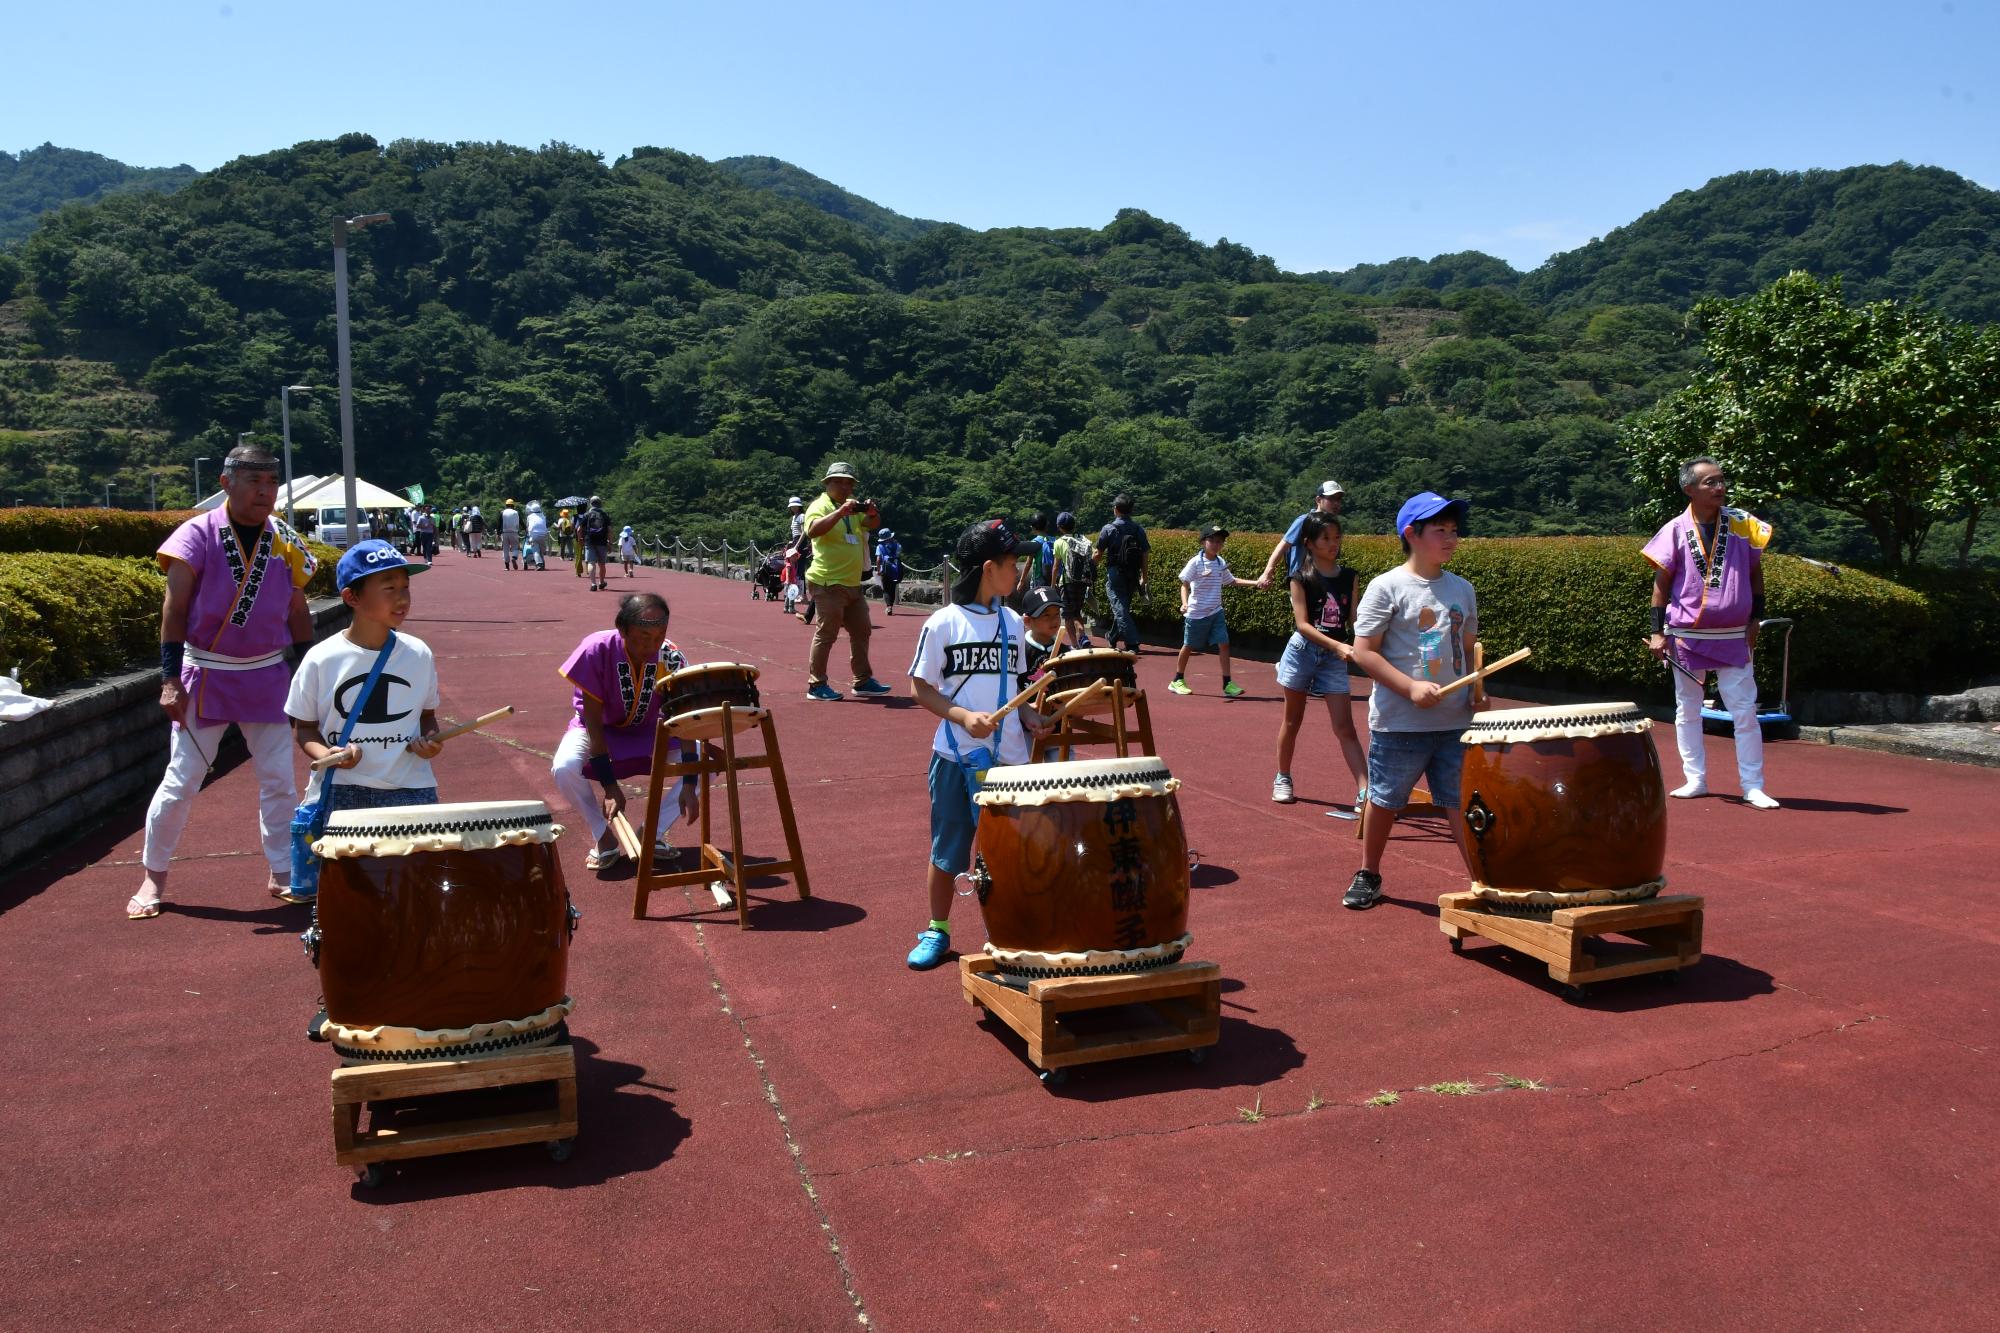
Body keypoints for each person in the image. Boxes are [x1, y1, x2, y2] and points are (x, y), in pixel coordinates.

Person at [129, 444, 318, 919]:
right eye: (254, 481)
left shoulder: (286, 539)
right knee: (182, 779)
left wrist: (309, 674)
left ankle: (281, 869)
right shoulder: (194, 534)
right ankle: (153, 875)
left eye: (272, 482)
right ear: (226, 483)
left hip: (268, 672)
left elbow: (297, 611)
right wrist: (169, 678)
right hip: (206, 672)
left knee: (279, 780)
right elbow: (173, 610)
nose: (265, 491)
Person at [904, 519, 1037, 969]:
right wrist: (961, 716)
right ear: (987, 568)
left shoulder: (1014, 623)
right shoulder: (943, 623)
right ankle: (937, 931)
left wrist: (1032, 714)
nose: (1018, 571)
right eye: (1012, 563)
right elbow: (920, 688)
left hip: (1010, 761)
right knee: (948, 849)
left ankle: (1008, 932)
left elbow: (1017, 686)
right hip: (953, 756)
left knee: (1010, 853)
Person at [1345, 492, 1481, 910]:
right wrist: (1409, 688)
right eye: (1440, 530)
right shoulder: (1386, 586)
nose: (1451, 538)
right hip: (1399, 722)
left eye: (1454, 530)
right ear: (1412, 534)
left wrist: (1478, 689)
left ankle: (1481, 880)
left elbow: (1470, 646)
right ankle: (1369, 872)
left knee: (1460, 803)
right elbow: (1363, 651)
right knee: (1385, 800)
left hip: (1455, 722)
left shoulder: (1463, 588)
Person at [286, 541, 446, 858]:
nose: (402, 598)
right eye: (389, 588)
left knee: (416, 890)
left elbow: (427, 717)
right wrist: (329, 753)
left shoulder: (418, 653)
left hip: (412, 788)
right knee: (352, 896)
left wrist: (432, 742)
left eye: (406, 587)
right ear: (351, 597)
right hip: (343, 791)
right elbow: (303, 727)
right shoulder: (321, 658)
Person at [1644, 457, 1779, 809]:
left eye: (1721, 480)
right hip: (1686, 633)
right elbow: (1661, 584)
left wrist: (1757, 619)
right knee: (1687, 708)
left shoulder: (1741, 524)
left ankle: (1753, 784)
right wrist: (1657, 633)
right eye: (1710, 482)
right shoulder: (1674, 529)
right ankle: (1696, 778)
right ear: (1690, 489)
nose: (1720, 487)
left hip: (1734, 633)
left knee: (1744, 709)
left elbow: (1755, 573)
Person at [549, 592, 700, 870]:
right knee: (564, 766)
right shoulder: (596, 649)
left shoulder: (669, 655)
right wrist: (609, 786)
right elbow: (593, 723)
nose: (651, 645)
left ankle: (651, 834)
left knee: (704, 761)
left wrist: (690, 784)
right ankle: (603, 836)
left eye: (659, 636)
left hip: (648, 731)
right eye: (643, 636)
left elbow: (684, 718)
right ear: (623, 629)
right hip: (599, 730)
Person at [1270, 513, 1368, 818]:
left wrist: (1374, 641)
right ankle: (1282, 776)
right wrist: (1339, 645)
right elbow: (1302, 625)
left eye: (1337, 537)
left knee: (1345, 727)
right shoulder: (1300, 577)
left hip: (1333, 659)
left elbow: (1355, 620)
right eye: (1326, 538)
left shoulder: (1350, 576)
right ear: (1309, 543)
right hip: (1302, 652)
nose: (1333, 544)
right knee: (1292, 721)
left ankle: (1366, 791)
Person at [802, 461, 893, 701]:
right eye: (839, 482)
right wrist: (839, 513)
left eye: (849, 483)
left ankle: (862, 680)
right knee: (826, 634)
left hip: (852, 583)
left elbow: (871, 525)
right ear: (827, 483)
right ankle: (816, 685)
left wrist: (872, 513)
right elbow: (812, 530)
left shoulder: (852, 508)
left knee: (862, 630)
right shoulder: (819, 506)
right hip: (828, 582)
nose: (845, 487)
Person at [1170, 524, 1264, 698]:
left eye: (1219, 541)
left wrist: (1256, 583)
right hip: (1197, 613)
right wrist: (1184, 604)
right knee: (1189, 646)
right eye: (1211, 540)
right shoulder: (1195, 562)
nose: (1215, 544)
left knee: (1224, 644)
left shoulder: (1220, 563)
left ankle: (1227, 683)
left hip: (1216, 612)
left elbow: (1232, 581)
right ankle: (1177, 680)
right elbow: (1184, 584)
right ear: (1203, 542)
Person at [1260, 480, 1347, 584]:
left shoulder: (1333, 524)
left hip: (1324, 581)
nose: (1336, 503)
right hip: (1303, 581)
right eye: (1331, 499)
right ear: (1318, 500)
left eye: (1339, 499)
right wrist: (1267, 572)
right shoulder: (1304, 520)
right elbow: (1283, 546)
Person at [1096, 495, 1150, 655]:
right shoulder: (1138, 529)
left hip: (1115, 573)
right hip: (1133, 573)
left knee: (1119, 607)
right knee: (1123, 607)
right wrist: (1144, 575)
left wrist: (1091, 564)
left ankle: (1132, 643)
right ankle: (1112, 637)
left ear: (1116, 509)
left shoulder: (1108, 529)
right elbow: (1145, 553)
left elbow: (1098, 553)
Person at [1050, 511, 1095, 650]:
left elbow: (1056, 566)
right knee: (1077, 612)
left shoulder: (1059, 542)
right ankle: (1083, 635)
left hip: (1067, 582)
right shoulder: (1083, 539)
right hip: (1082, 581)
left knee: (1068, 615)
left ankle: (1075, 644)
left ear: (1060, 527)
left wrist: (1052, 585)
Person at [579, 496, 612, 591]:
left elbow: (579, 529)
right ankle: (601, 582)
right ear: (600, 503)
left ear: (591, 503)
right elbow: (609, 530)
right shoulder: (605, 515)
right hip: (602, 541)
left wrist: (581, 539)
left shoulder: (587, 514)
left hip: (589, 541)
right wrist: (610, 543)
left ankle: (593, 584)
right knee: (602, 564)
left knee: (591, 562)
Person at [875, 527, 905, 615]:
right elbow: (899, 554)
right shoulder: (897, 545)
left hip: (885, 569)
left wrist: (878, 570)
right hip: (895, 569)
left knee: (886, 589)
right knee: (892, 587)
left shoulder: (879, 547)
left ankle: (889, 607)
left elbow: (878, 559)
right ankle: (891, 605)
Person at [524, 501, 549, 570]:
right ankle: (542, 562)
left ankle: (539, 564)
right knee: (541, 550)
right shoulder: (543, 516)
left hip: (534, 535)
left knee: (535, 551)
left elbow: (527, 527)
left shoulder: (529, 516)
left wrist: (527, 534)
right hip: (543, 535)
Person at [499, 499, 522, 570]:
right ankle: (514, 557)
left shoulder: (502, 512)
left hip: (505, 533)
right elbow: (521, 521)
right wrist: (525, 528)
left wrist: (498, 533)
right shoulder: (516, 512)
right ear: (513, 505)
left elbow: (499, 523)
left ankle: (507, 567)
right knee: (515, 547)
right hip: (514, 532)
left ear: (506, 505)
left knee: (505, 549)